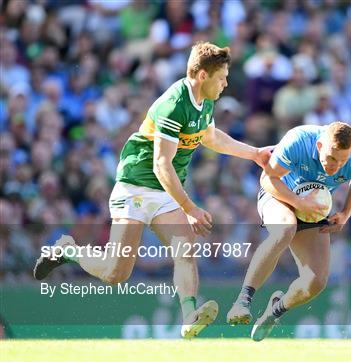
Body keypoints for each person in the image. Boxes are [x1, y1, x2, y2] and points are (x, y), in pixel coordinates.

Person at [33, 42, 272, 339]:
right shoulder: (173, 103)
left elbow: (210, 137)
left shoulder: (206, 101)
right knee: (116, 273)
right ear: (201, 75)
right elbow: (161, 165)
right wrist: (190, 208)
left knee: (185, 251)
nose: (225, 83)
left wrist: (255, 154)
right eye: (221, 77)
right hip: (136, 185)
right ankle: (67, 249)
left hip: (164, 191)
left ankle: (189, 316)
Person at [226, 122, 351, 341]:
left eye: (343, 161)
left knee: (316, 282)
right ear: (320, 145)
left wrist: (346, 212)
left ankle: (275, 311)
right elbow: (268, 178)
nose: (336, 166)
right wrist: (297, 202)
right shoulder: (299, 141)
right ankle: (242, 302)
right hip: (280, 195)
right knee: (285, 228)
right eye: (332, 158)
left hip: (314, 208)